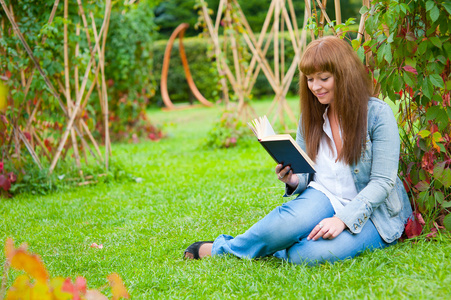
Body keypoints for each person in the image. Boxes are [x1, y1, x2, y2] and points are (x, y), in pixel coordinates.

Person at [183, 36, 413, 265]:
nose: (315, 87)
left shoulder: (377, 115)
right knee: (274, 230)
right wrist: (294, 179)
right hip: (324, 195)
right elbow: (308, 171)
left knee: (307, 255)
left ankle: (278, 250)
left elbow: (382, 183)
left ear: (345, 75)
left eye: (324, 78)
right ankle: (222, 248)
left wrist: (343, 219)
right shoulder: (311, 116)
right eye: (310, 79)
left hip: (373, 213)